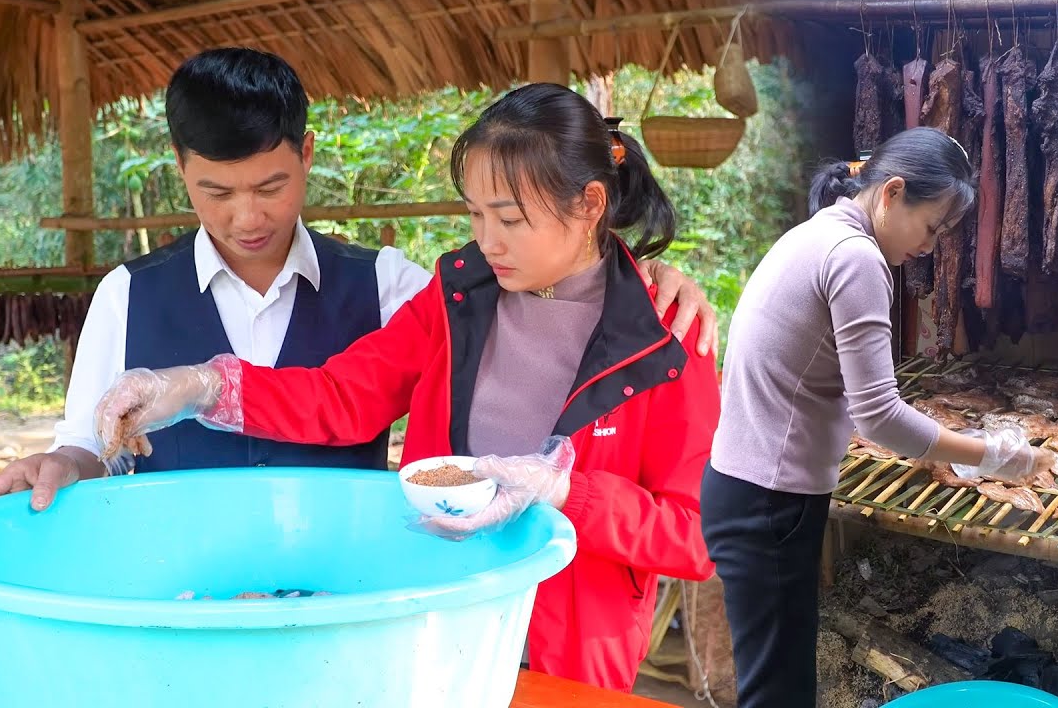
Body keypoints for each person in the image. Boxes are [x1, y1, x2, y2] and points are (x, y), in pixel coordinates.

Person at [91, 82, 721, 692]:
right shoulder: (457, 295)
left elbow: (702, 536)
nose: (486, 241)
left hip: (575, 645)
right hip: (433, 618)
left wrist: (567, 491)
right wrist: (203, 387)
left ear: (588, 205)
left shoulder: (666, 340)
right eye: (475, 214)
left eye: (509, 219)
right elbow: (341, 396)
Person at [0, 48, 717, 511]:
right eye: (215, 192)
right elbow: (87, 445)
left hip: (354, 597)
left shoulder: (394, 285)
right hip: (184, 594)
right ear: (180, 170)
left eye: (268, 185)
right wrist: (82, 452)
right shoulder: (127, 293)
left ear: (306, 155)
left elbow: (689, 526)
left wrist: (636, 277)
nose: (245, 216)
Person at [699, 127, 1057, 708]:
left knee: (776, 682)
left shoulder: (819, 232)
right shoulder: (855, 256)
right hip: (769, 501)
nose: (932, 244)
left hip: (746, 490)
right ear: (891, 193)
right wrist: (993, 456)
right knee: (779, 694)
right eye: (932, 227)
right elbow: (880, 417)